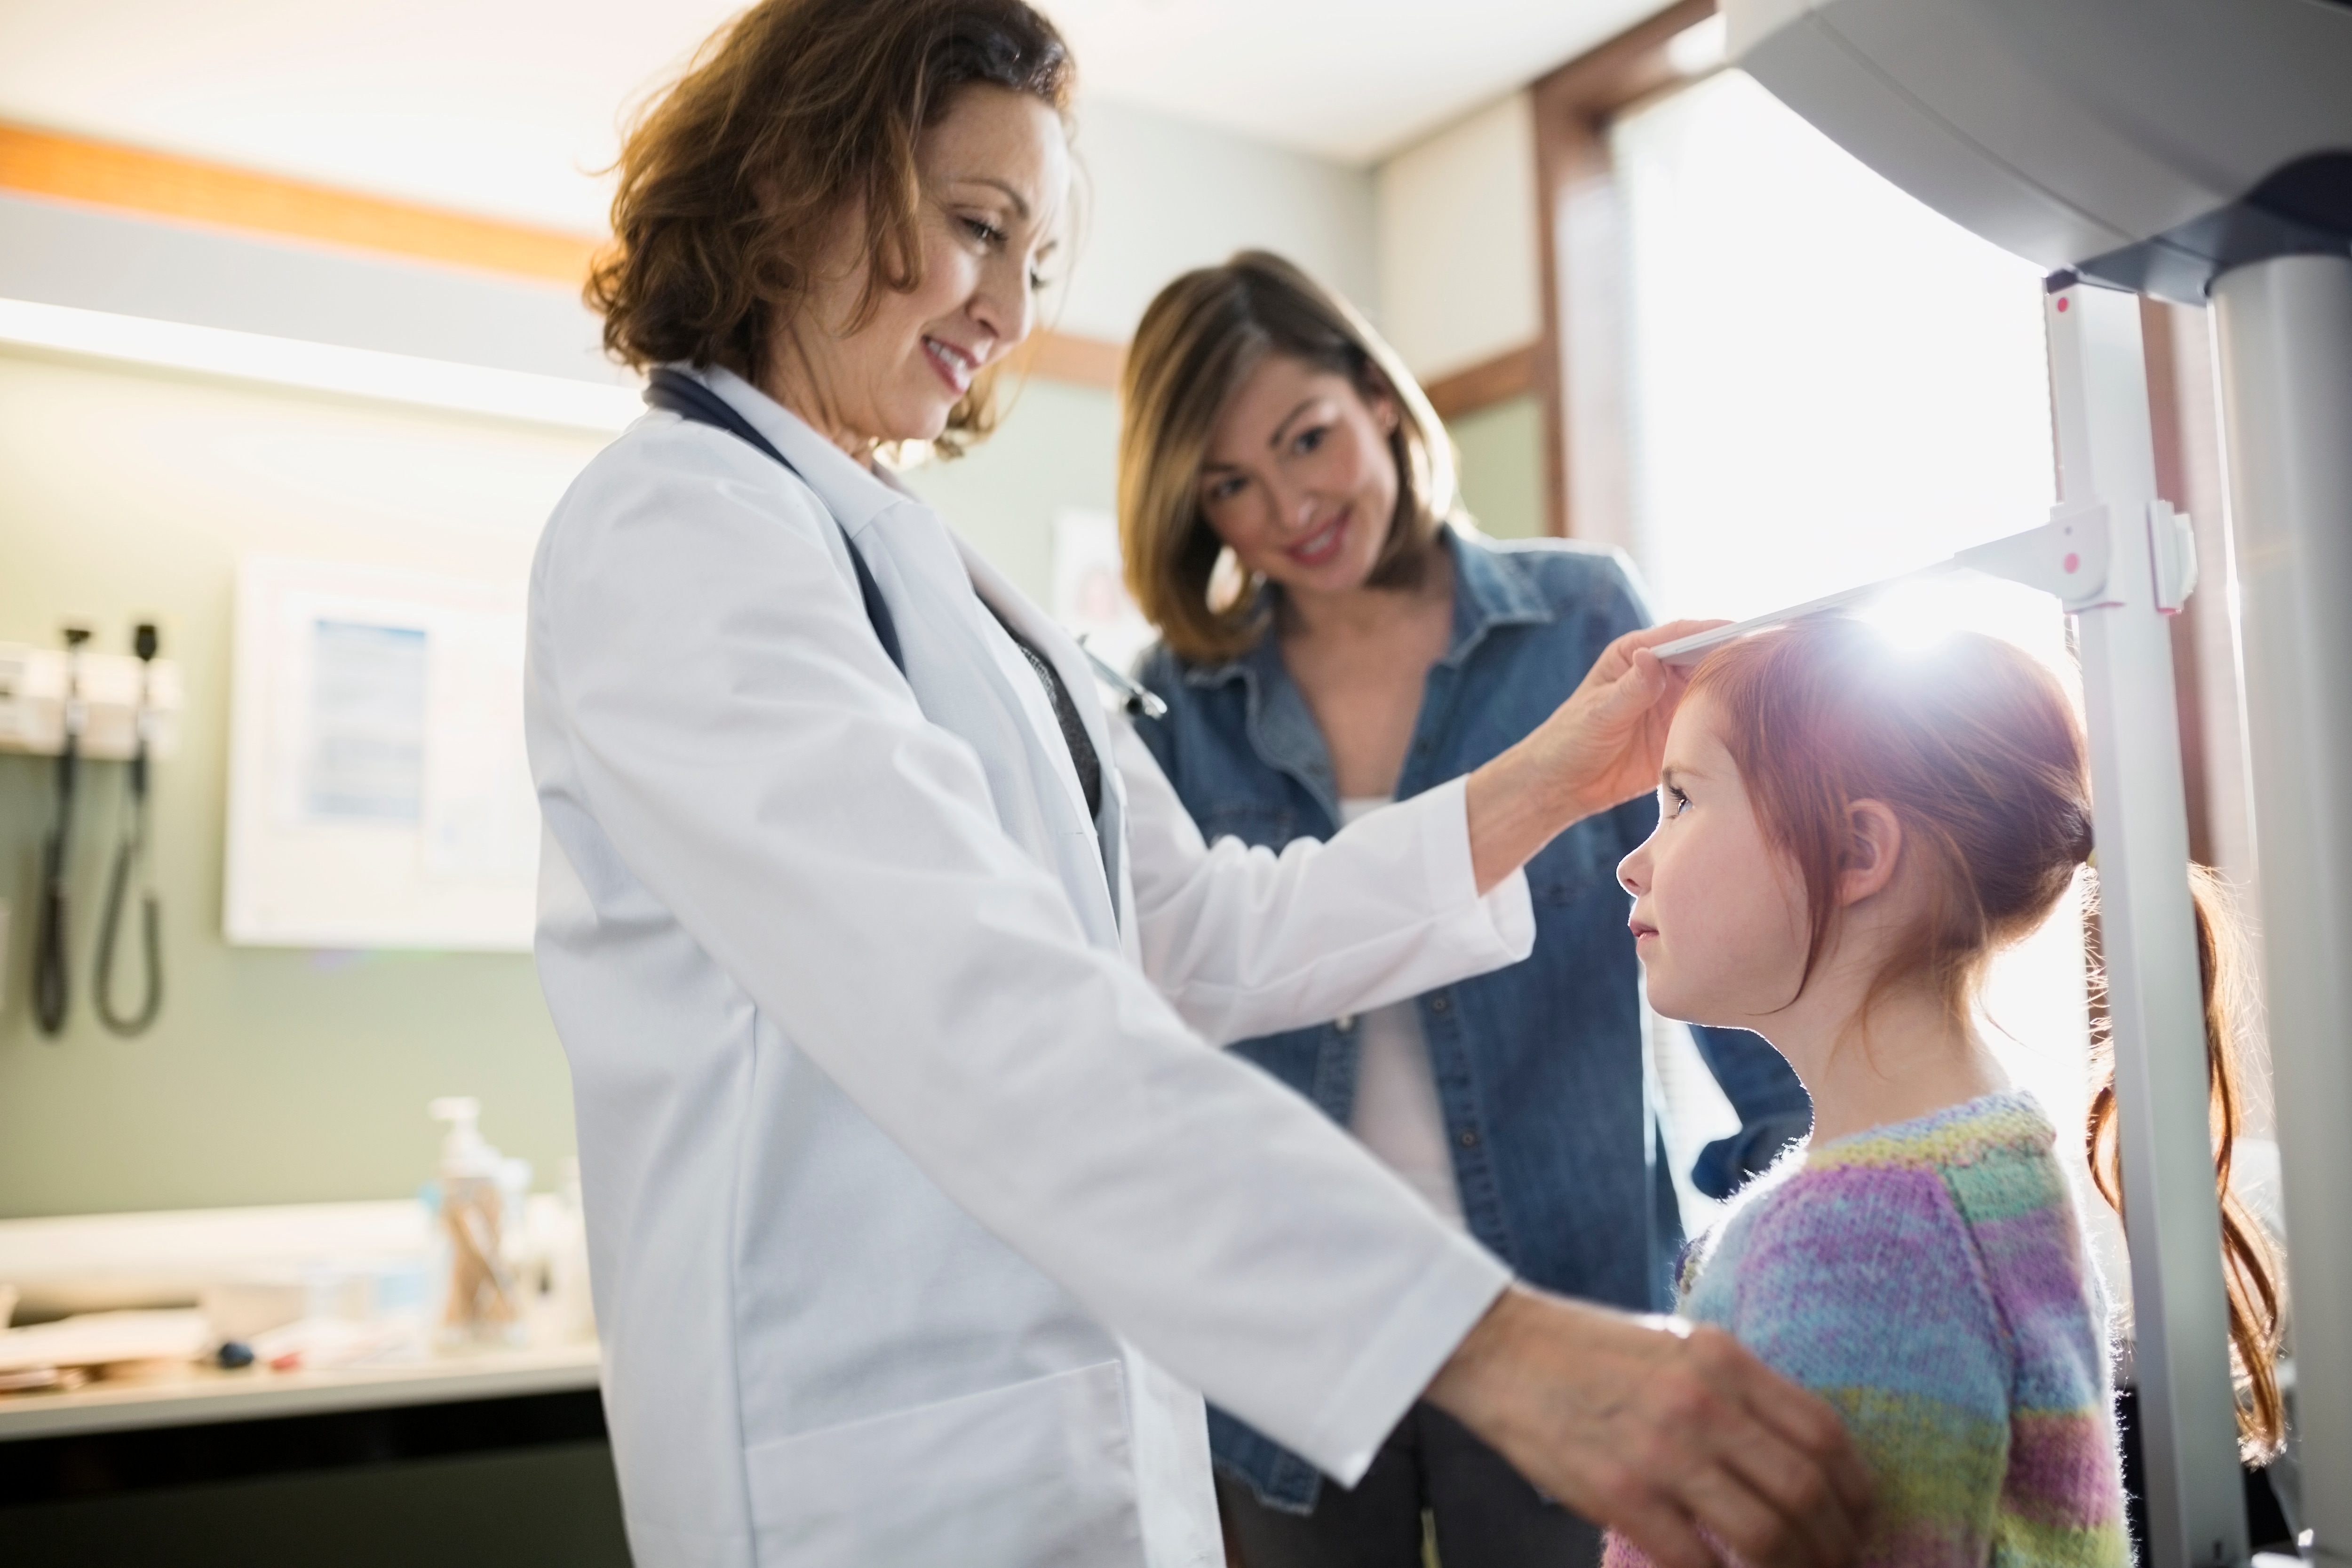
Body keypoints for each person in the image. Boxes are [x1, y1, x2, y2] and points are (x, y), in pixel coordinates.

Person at [532, 0, 1870, 1563]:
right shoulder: (679, 534)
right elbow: (980, 1002)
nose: (1007, 313)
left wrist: (1564, 774)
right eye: (979, 228)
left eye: (1034, 264)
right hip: (887, 1473)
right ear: (795, 181)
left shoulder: (925, 573)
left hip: (1094, 1444)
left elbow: (1192, 934)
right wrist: (1492, 1342)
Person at [1118, 251, 1815, 1568]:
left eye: (1306, 437)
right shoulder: (1177, 697)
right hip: (1298, 1342)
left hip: (1569, 1293)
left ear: (1379, 399)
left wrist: (1790, 1205)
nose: (1289, 505)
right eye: (1229, 483)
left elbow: (1722, 906)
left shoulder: (1580, 622)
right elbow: (1168, 1010)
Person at [1605, 616, 2287, 1568]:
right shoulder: (1968, 1169)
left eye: (1680, 798)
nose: (1630, 860)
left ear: (1854, 851)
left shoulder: (1862, 1244)